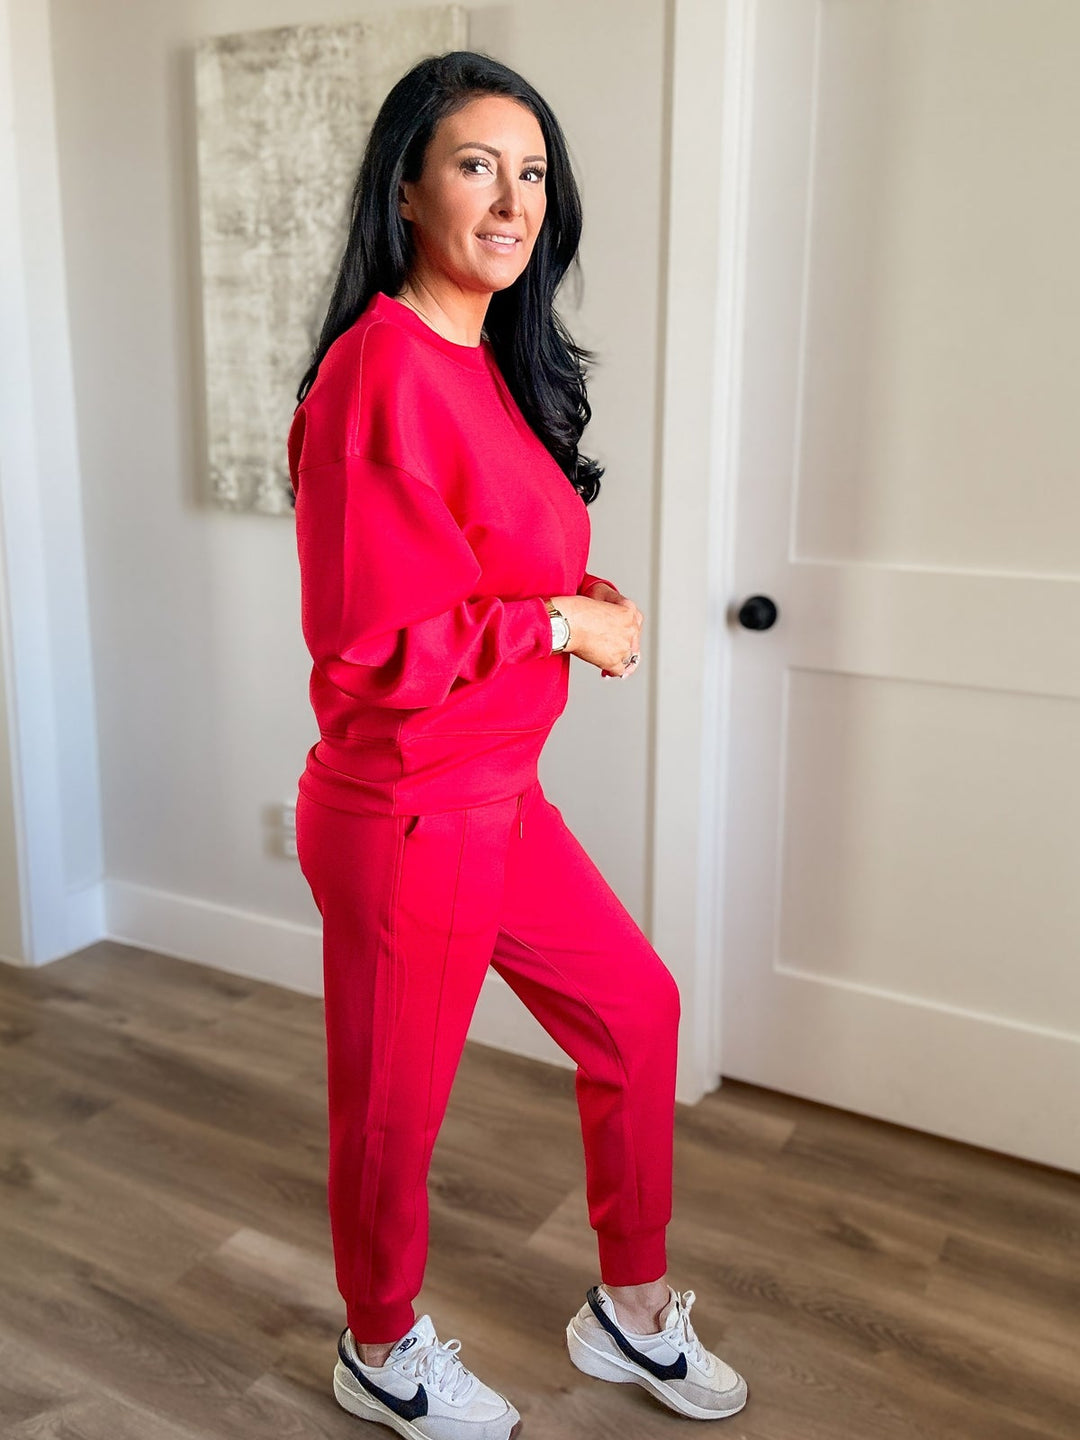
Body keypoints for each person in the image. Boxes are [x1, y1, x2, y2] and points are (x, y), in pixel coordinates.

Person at [288, 49, 748, 1437]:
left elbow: (483, 569)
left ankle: (629, 1309)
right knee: (393, 1117)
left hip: (495, 795)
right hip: (406, 811)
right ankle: (379, 1348)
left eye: (532, 170)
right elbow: (369, 653)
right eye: (477, 164)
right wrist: (553, 627)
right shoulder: (381, 371)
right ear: (409, 189)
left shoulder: (486, 363)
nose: (512, 197)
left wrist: (571, 603)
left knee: (639, 1013)